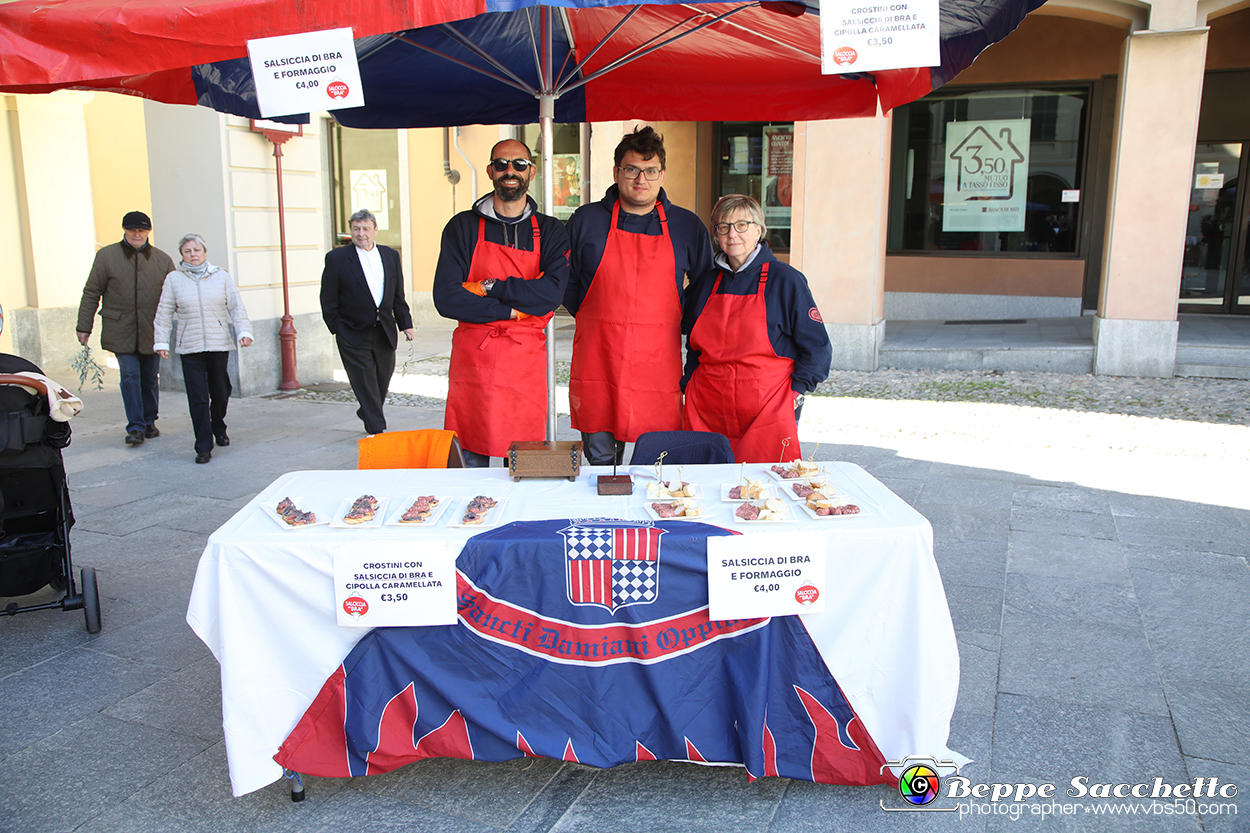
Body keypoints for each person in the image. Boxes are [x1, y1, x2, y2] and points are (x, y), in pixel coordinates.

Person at [564, 126, 713, 466]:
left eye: (650, 171)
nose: (640, 179)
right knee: (601, 457)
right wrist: (589, 311)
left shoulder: (687, 226)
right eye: (631, 170)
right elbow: (566, 280)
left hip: (658, 360)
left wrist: (678, 320)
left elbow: (705, 287)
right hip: (599, 355)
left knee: (658, 456)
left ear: (662, 174)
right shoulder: (586, 221)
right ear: (617, 172)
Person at [432, 139, 569, 467]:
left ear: (531, 172)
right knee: (469, 464)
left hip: (525, 365)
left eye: (519, 164)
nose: (511, 171)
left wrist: (487, 286)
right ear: (491, 170)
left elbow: (551, 295)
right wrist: (511, 310)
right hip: (474, 364)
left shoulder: (550, 231)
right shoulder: (462, 228)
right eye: (503, 164)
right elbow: (447, 297)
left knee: (525, 464)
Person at [682, 194, 832, 463]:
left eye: (742, 225)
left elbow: (817, 346)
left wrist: (796, 392)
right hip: (707, 405)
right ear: (716, 233)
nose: (732, 234)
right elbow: (692, 343)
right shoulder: (706, 282)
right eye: (723, 226)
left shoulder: (786, 280)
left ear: (759, 230)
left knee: (764, 489)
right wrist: (688, 381)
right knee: (704, 484)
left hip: (769, 407)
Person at [76, 211, 176, 446]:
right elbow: (91, 291)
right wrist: (84, 325)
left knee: (150, 378)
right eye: (132, 230)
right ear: (124, 230)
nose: (136, 234)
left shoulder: (163, 259)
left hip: (151, 329)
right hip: (119, 327)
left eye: (141, 230)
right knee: (130, 375)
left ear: (148, 232)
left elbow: (174, 295)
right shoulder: (106, 256)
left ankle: (150, 420)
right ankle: (136, 426)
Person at [153, 234, 254, 464]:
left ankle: (218, 424)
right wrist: (161, 342)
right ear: (182, 255)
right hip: (190, 346)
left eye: (197, 250)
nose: (193, 254)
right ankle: (203, 445)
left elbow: (236, 307)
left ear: (205, 252)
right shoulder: (174, 279)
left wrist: (243, 332)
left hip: (218, 343)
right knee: (197, 397)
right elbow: (163, 313)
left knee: (220, 392)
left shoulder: (221, 276)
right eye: (188, 251)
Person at [320, 209, 415, 435]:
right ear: (351, 231)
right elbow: (328, 298)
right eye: (356, 229)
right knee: (365, 382)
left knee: (382, 378)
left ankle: (368, 411)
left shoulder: (390, 256)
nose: (360, 234)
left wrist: (406, 323)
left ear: (375, 230)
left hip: (383, 330)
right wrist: (337, 328)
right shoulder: (337, 259)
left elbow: (397, 294)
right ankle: (377, 429)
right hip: (352, 332)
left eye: (365, 229)